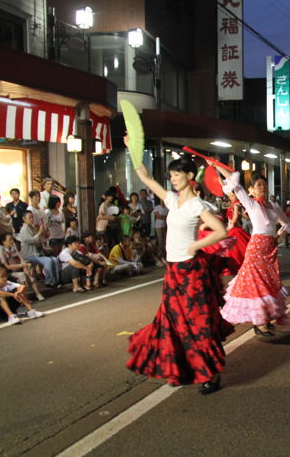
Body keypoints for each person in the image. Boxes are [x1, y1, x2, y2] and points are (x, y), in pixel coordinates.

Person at [125, 146, 231, 396]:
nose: (172, 178)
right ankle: (185, 368)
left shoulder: (197, 205)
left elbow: (220, 231)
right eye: (171, 175)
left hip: (191, 272)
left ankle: (211, 375)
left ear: (190, 177)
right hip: (173, 271)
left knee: (197, 323)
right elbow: (146, 178)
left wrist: (195, 245)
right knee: (172, 323)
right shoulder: (172, 200)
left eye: (177, 174)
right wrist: (132, 148)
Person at [216, 167, 290, 337]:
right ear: (251, 189)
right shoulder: (250, 203)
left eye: (264, 185)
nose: (262, 187)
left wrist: (278, 237)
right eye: (258, 185)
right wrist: (217, 167)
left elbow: (286, 224)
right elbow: (236, 185)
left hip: (271, 249)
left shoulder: (273, 205)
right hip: (256, 248)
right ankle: (260, 323)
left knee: (268, 285)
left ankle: (263, 320)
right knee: (259, 286)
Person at [0, 233, 45, 301]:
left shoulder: (13, 247)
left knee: (28, 273)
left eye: (12, 239)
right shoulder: (0, 251)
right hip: (8, 272)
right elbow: (7, 266)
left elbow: (20, 257)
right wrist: (22, 265)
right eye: (10, 240)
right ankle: (24, 297)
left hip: (18, 268)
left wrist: (24, 267)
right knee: (21, 276)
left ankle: (38, 293)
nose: (12, 241)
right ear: (3, 242)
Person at [18, 210, 61, 289]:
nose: (31, 219)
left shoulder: (32, 227)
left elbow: (39, 240)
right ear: (24, 219)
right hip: (30, 254)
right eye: (29, 218)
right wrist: (39, 233)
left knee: (55, 260)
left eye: (32, 217)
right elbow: (31, 240)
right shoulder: (24, 230)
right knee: (48, 261)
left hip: (37, 252)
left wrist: (46, 237)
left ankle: (56, 281)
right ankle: (49, 281)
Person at [152, 198, 168, 263]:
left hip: (164, 225)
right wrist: (162, 217)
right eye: (162, 201)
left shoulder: (166, 208)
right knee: (160, 240)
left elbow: (166, 216)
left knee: (164, 239)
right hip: (158, 225)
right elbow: (157, 216)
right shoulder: (157, 207)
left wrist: (162, 217)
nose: (163, 202)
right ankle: (161, 255)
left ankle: (164, 253)